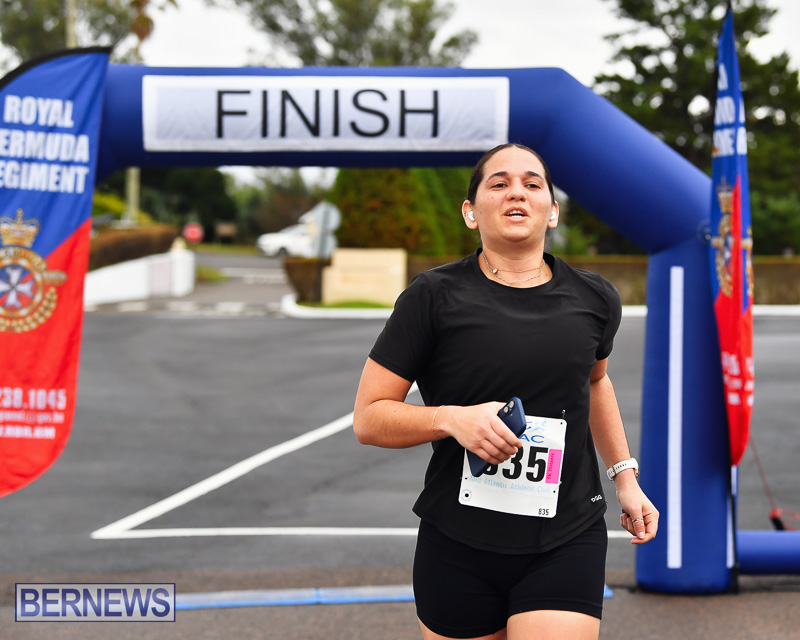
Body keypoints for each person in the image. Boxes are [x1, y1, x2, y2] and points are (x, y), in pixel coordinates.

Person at [353, 143, 659, 640]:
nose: (517, 191)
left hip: (566, 535)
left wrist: (625, 478)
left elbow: (596, 381)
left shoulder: (595, 298)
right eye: (498, 183)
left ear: (552, 211)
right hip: (458, 541)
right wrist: (450, 419)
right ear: (470, 213)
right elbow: (368, 418)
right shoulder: (431, 297)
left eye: (533, 184)